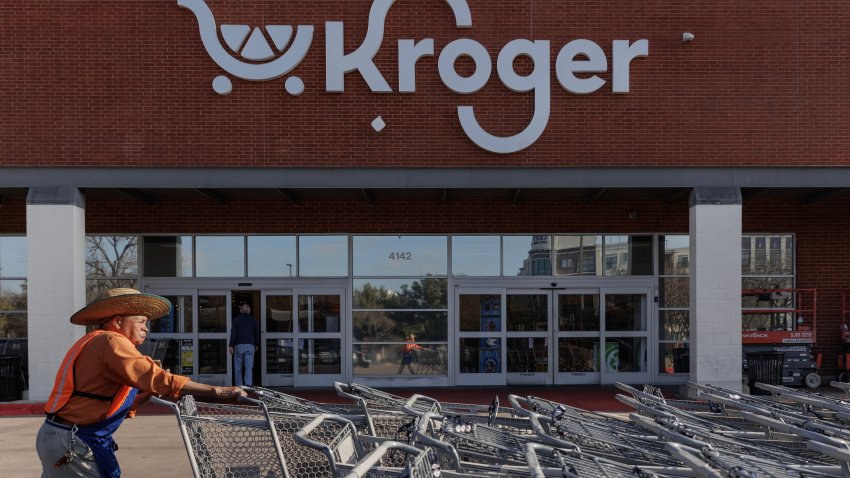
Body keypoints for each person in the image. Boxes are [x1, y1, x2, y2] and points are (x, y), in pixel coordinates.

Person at [36, 288, 246, 478]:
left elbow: (112, 404)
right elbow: (157, 377)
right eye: (141, 322)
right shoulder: (112, 341)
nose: (147, 329)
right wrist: (217, 390)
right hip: (72, 441)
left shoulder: (97, 341)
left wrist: (149, 396)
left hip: (60, 436)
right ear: (118, 322)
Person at [228, 303, 259, 387]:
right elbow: (256, 333)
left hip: (238, 345)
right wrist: (256, 344)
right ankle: (248, 384)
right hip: (250, 345)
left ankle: (239, 385)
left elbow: (233, 333)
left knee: (238, 367)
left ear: (240, 310)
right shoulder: (253, 320)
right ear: (249, 310)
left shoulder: (236, 320)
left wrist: (231, 345)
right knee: (248, 366)